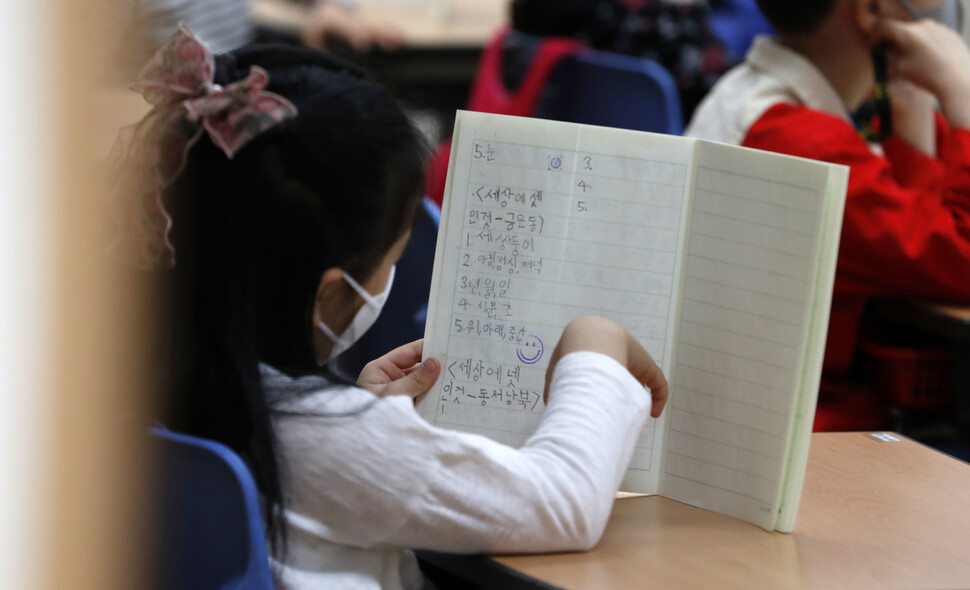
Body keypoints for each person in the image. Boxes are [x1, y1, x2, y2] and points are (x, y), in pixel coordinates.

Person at [115, 26, 668, 589]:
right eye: (392, 256)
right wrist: (597, 349)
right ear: (327, 293)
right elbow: (563, 503)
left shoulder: (136, 389)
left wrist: (361, 413)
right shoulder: (332, 442)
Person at [685, 0, 970, 430]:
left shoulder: (757, 99)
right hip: (795, 436)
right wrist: (961, 89)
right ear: (871, 10)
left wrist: (911, 104)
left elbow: (922, 229)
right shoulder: (804, 144)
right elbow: (959, 256)